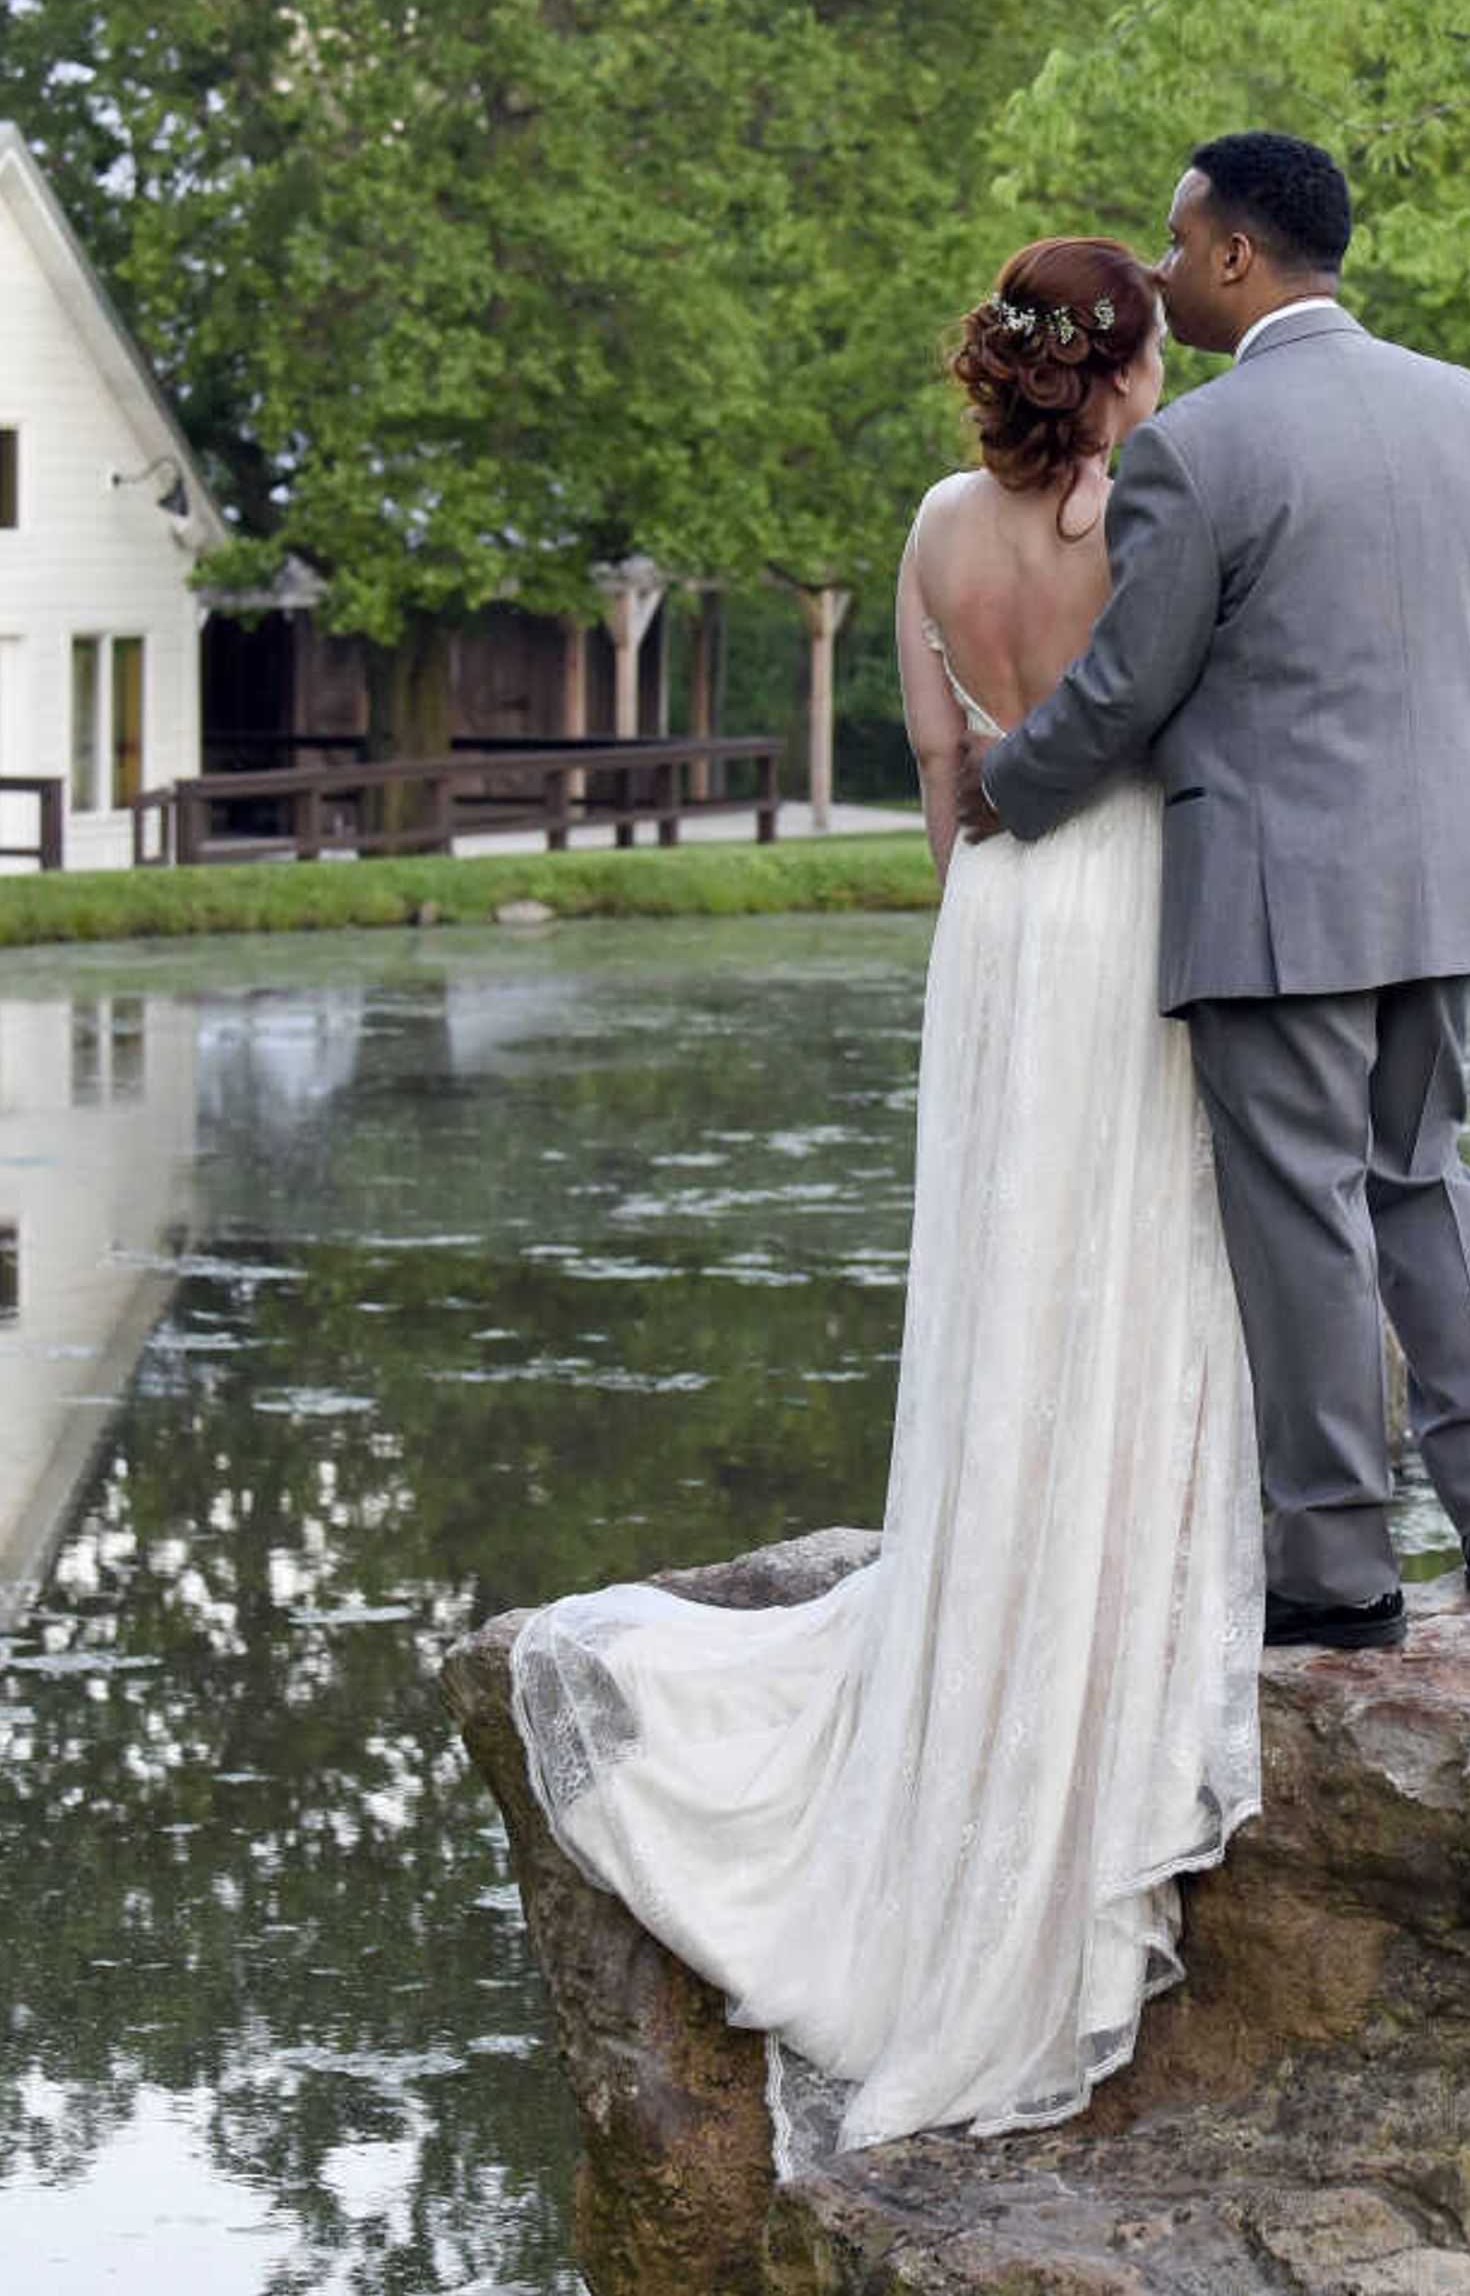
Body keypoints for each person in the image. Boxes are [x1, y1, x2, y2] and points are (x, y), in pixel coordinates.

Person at [507, 236, 1263, 2157]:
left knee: (1013, 1265)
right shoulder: (1148, 509)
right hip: (1116, 900)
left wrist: (976, 932)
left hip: (995, 925)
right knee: (1127, 1261)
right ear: (1118, 368)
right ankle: (1094, 1608)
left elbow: (945, 766)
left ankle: (993, 1585)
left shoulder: (936, 527)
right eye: (1157, 352)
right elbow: (1172, 733)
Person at [967, 131, 1470, 1652]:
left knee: (1304, 1221)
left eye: (1176, 245)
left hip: (1279, 900)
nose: (1159, 275)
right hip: (1446, 880)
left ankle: (1341, 1569)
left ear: (1234, 255)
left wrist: (1006, 782)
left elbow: (1128, 689)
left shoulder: (1198, 451)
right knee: (1425, 1179)